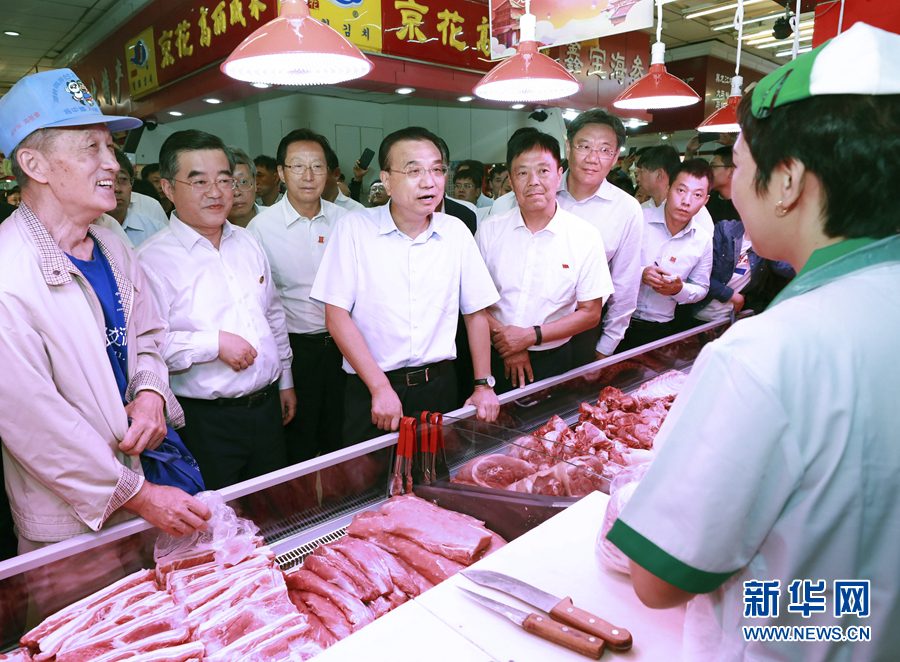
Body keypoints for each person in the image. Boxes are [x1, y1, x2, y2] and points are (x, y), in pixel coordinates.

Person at [607, 22, 900, 661]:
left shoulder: (771, 351)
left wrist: (635, 492)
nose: (729, 188)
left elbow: (660, 579)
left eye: (737, 165)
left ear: (788, 181)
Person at [0, 68, 211, 551]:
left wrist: (151, 393)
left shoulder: (111, 240)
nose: (113, 163)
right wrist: (139, 495)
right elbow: (34, 424)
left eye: (111, 147)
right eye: (90, 148)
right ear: (34, 164)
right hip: (73, 517)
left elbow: (148, 333)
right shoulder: (8, 274)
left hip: (151, 474)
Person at [310, 126, 500, 446]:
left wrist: (483, 384)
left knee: (437, 471)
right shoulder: (354, 229)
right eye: (414, 171)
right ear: (386, 180)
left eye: (437, 170)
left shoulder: (455, 232)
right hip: (372, 388)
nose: (429, 182)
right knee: (370, 475)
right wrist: (379, 387)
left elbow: (475, 313)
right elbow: (336, 316)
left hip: (439, 387)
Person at [137, 130, 295, 490]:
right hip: (205, 421)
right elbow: (146, 348)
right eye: (199, 182)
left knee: (276, 504)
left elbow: (272, 314)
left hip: (267, 409)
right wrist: (214, 343)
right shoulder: (149, 261)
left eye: (225, 180)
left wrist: (285, 380)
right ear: (168, 188)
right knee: (217, 515)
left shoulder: (248, 241)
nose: (216, 192)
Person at [476, 130, 612, 393]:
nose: (533, 181)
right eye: (522, 172)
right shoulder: (489, 230)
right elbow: (473, 302)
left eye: (543, 171)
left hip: (553, 358)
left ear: (559, 174)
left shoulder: (584, 236)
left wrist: (530, 336)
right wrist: (510, 345)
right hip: (491, 357)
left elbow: (591, 313)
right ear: (511, 180)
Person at [248, 129, 349, 461]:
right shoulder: (260, 228)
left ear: (329, 172)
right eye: (298, 166)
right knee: (298, 445)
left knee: (343, 439)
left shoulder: (348, 221)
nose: (308, 176)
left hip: (344, 347)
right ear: (281, 172)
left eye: (317, 166)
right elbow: (260, 306)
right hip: (294, 350)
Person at [557, 108, 644, 362]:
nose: (593, 158)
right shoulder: (541, 193)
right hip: (526, 322)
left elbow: (625, 282)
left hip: (584, 327)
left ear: (615, 157)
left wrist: (607, 345)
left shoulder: (626, 209)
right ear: (568, 147)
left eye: (605, 150)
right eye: (584, 146)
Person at [618, 159, 713, 352]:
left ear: (705, 200)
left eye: (697, 195)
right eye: (681, 190)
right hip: (618, 321)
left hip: (661, 330)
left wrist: (679, 289)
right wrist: (641, 273)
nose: (686, 201)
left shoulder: (703, 240)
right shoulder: (638, 220)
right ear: (668, 189)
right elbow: (607, 265)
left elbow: (701, 287)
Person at [692, 218, 794, 324]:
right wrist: (732, 296)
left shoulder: (768, 243)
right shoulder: (725, 229)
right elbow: (698, 275)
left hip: (729, 317)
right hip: (695, 312)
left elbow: (783, 266)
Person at [637, 146, 714, 236]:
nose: (637, 178)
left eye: (642, 172)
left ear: (659, 174)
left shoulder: (696, 213)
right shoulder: (642, 210)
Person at [108, 148, 165, 247]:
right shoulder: (84, 232)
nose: (117, 188)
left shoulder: (156, 229)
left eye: (123, 179)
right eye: (108, 180)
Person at [226, 146, 261, 228]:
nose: (236, 192)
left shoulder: (277, 218)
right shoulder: (206, 230)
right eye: (227, 183)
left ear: (255, 185)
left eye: (243, 182)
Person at [322, 146, 365, 212]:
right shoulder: (305, 210)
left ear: (336, 174)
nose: (309, 177)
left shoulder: (356, 210)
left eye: (317, 168)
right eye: (305, 169)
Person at [706, 145, 740, 224]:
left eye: (713, 166)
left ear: (731, 172)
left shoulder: (748, 206)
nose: (708, 172)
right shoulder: (706, 202)